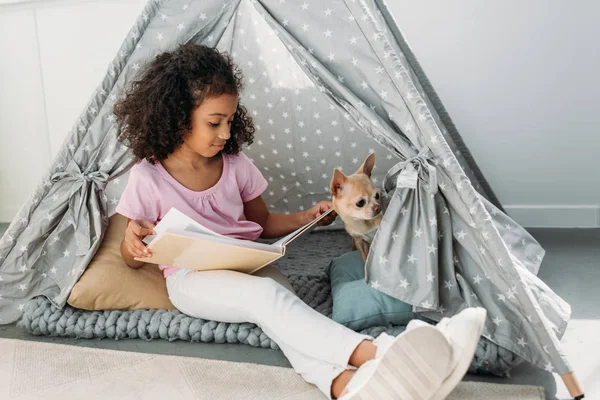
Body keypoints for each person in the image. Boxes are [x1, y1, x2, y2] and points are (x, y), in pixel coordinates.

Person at [114, 43, 486, 400]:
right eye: (214, 123)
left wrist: (306, 218)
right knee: (268, 298)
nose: (226, 133)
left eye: (230, 120)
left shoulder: (236, 165)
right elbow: (131, 257)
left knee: (288, 315)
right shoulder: (148, 177)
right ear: (178, 117)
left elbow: (263, 223)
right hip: (191, 279)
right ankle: (386, 354)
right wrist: (133, 241)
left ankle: (347, 387)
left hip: (250, 266)